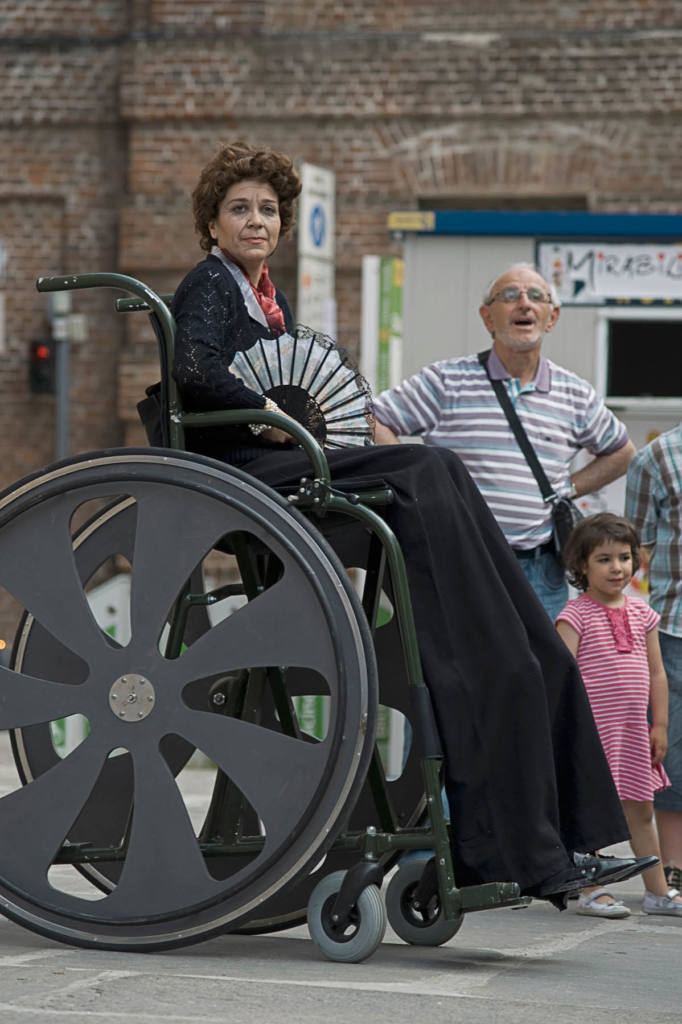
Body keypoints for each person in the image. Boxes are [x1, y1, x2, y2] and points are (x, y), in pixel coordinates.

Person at [170, 141, 650, 907]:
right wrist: (264, 411)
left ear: (283, 224)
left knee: (528, 648)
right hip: (251, 470)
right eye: (240, 208)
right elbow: (191, 369)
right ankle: (476, 604)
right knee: (429, 465)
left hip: (285, 458)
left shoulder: (264, 294)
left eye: (267, 210)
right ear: (213, 220)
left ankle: (565, 829)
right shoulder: (209, 284)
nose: (256, 220)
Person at [372, 263, 636, 620]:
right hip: (462, 561)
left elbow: (622, 452)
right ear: (487, 317)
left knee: (540, 671)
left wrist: (568, 488)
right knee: (466, 669)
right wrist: (416, 484)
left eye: (536, 297)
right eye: (510, 296)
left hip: (540, 569)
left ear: (552, 317)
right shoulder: (446, 381)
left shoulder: (574, 393)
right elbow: (372, 418)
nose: (524, 304)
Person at [557, 513, 682, 918]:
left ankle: (657, 891)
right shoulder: (575, 615)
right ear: (581, 567)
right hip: (593, 735)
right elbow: (562, 676)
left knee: (641, 810)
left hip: (632, 734)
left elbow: (658, 673)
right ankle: (592, 890)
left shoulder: (643, 614)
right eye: (604, 559)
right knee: (591, 810)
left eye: (625, 558)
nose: (617, 568)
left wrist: (659, 724)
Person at [625, 423, 682, 895]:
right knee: (673, 751)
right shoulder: (656, 457)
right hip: (676, 625)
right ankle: (674, 866)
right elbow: (634, 548)